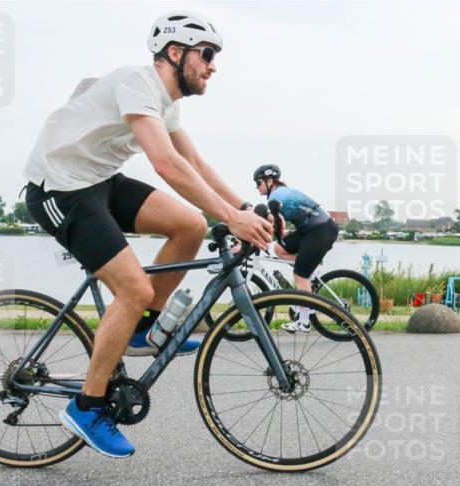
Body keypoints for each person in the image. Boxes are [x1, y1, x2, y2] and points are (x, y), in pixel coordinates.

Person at [22, 12, 273, 459]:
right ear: (175, 53)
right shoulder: (135, 82)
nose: (213, 66)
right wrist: (232, 220)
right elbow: (166, 164)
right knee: (134, 288)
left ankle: (142, 328)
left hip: (99, 181)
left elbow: (194, 163)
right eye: (206, 54)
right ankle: (87, 407)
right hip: (59, 189)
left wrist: (243, 208)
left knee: (191, 225)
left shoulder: (166, 103)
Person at [253, 164, 340, 332]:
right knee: (279, 249)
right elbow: (277, 229)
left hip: (320, 231)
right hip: (311, 230)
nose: (257, 187)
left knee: (300, 275)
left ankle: (304, 322)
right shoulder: (279, 194)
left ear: (269, 181)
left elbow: (270, 226)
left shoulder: (276, 197)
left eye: (258, 183)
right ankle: (310, 273)